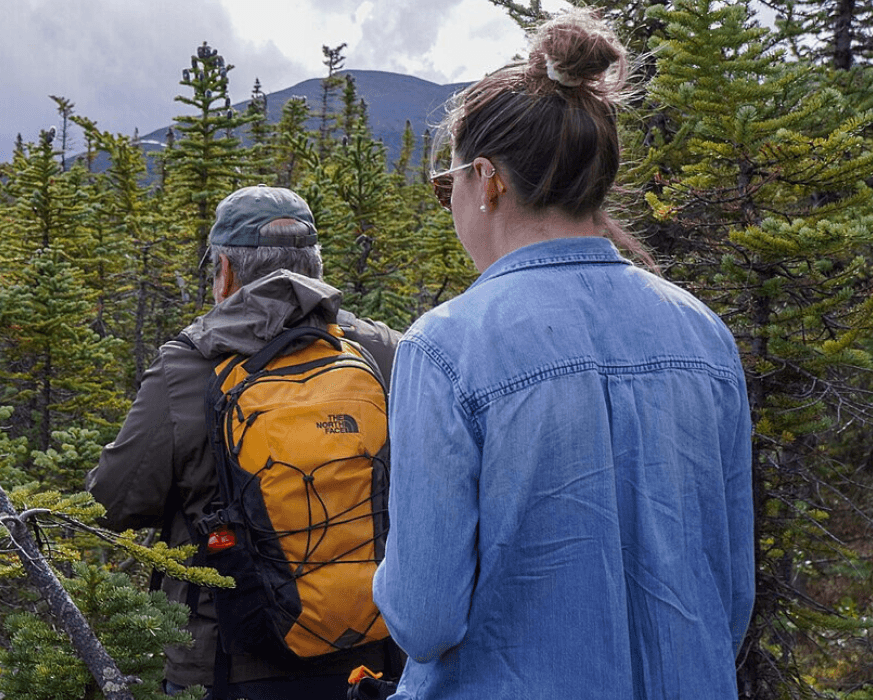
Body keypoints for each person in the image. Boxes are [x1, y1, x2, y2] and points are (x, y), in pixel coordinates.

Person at [371, 10, 753, 699]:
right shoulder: (703, 334)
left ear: (486, 180)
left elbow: (424, 619)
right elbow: (727, 602)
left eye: (446, 183)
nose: (449, 200)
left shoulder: (447, 346)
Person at [87, 185, 404, 698]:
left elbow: (115, 502)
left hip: (229, 662)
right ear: (316, 268)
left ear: (226, 272)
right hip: (372, 653)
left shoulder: (187, 365)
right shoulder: (380, 350)